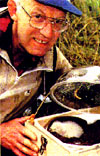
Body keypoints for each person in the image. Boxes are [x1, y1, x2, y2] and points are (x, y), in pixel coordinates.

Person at [0, 0, 82, 155]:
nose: (48, 33)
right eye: (38, 17)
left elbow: (75, 90)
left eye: (57, 22)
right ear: (13, 10)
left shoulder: (52, 57)